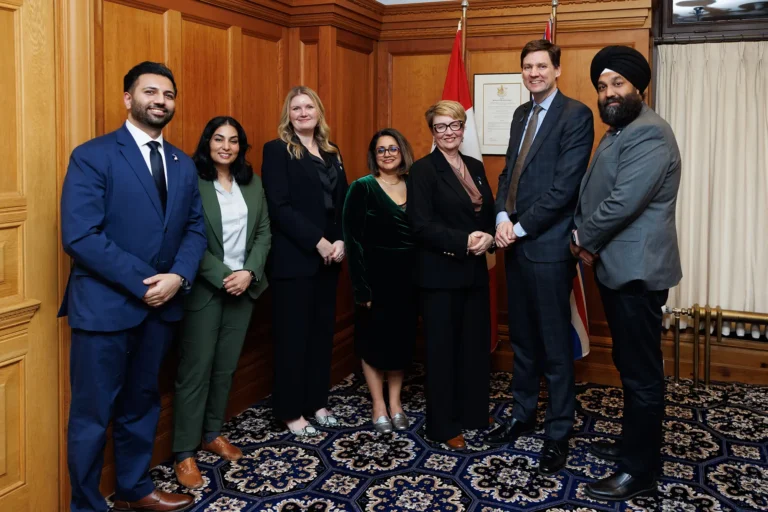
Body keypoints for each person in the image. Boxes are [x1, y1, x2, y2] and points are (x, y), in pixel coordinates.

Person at [60, 62, 206, 512]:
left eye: (168, 94)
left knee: (141, 405)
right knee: (91, 417)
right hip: (104, 309)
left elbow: (195, 229)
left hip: (161, 310)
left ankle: (134, 489)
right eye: (150, 92)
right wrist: (143, 284)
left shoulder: (183, 163)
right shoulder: (93, 155)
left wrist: (178, 277)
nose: (160, 100)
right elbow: (80, 235)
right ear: (128, 99)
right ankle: (87, 505)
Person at [573, 45, 682, 500]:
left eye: (617, 83)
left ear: (639, 86)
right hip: (620, 269)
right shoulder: (620, 130)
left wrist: (582, 239)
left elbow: (622, 203)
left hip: (637, 273)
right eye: (602, 86)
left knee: (641, 374)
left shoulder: (650, 133)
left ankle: (639, 470)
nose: (609, 93)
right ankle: (633, 445)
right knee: (630, 365)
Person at [486, 39, 594, 475]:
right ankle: (522, 414)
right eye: (527, 67)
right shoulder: (520, 114)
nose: (534, 73)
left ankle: (558, 432)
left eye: (542, 66)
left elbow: (565, 188)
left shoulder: (576, 115)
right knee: (523, 340)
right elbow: (508, 173)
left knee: (554, 346)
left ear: (557, 70)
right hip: (514, 244)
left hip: (547, 247)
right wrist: (500, 216)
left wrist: (518, 228)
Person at [172, 116, 271, 489]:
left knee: (225, 367)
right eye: (218, 139)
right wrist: (224, 276)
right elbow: (184, 235)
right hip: (205, 288)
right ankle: (184, 452)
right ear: (207, 142)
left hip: (244, 288)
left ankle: (212, 433)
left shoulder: (251, 182)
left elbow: (264, 232)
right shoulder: (192, 181)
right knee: (195, 370)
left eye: (233, 140)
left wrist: (249, 273)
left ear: (240, 146)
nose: (226, 146)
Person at [407, 100, 496, 450]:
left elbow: (488, 212)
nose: (448, 132)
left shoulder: (475, 166)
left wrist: (489, 236)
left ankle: (473, 413)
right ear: (433, 132)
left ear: (463, 127)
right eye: (440, 127)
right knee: (442, 352)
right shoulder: (423, 170)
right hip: (440, 275)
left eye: (454, 125)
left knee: (473, 347)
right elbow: (420, 225)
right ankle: (443, 425)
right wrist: (464, 241)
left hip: (474, 273)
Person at [261, 86, 349, 437]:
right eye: (295, 108)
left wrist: (340, 240)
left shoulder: (331, 151)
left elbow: (341, 202)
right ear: (288, 114)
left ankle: (317, 402)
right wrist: (319, 242)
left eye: (308, 106)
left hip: (329, 261)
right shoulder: (277, 150)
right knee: (293, 339)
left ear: (318, 111)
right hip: (294, 260)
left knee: (321, 335)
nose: (302, 112)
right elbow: (279, 207)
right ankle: (290, 411)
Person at [343, 128, 418, 434]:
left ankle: (396, 403)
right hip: (374, 280)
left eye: (392, 148)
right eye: (381, 150)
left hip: (409, 280)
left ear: (402, 152)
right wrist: (361, 288)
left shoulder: (415, 184)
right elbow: (352, 240)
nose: (387, 154)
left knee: (400, 343)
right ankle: (378, 405)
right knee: (373, 343)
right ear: (374, 156)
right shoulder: (362, 187)